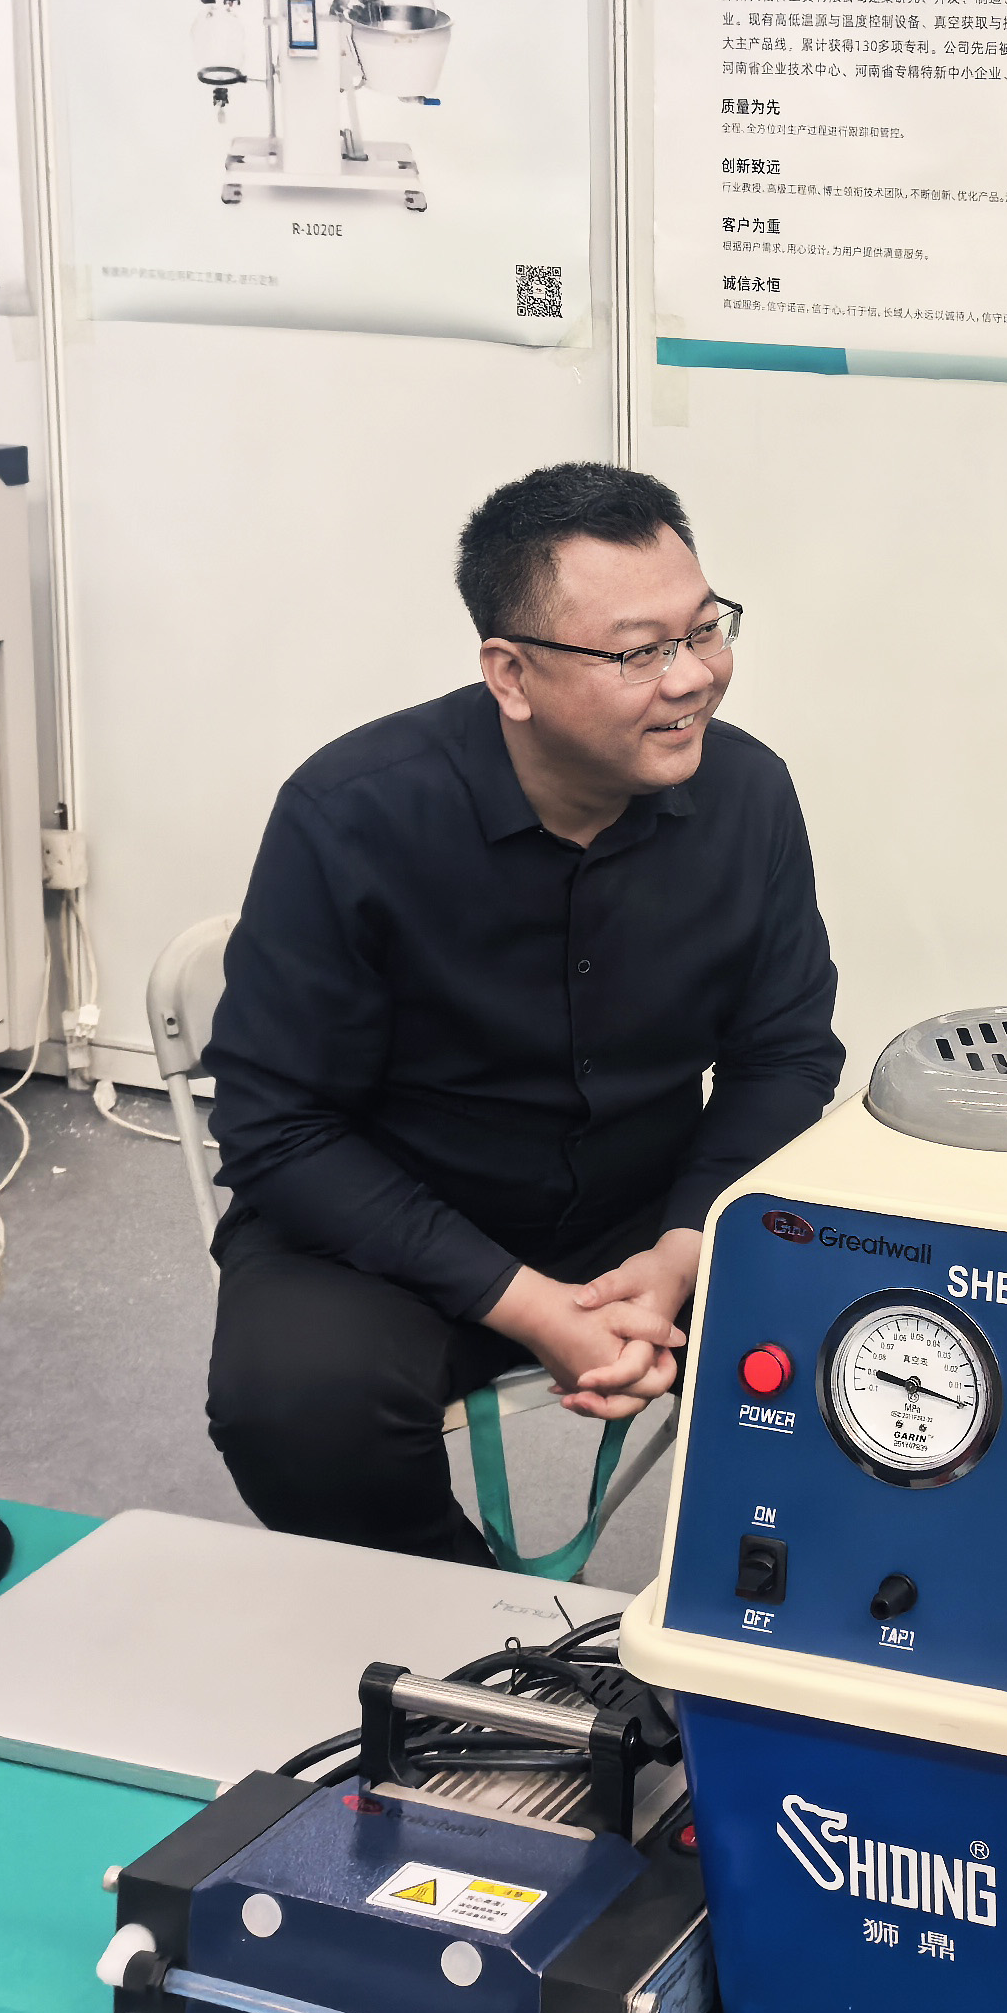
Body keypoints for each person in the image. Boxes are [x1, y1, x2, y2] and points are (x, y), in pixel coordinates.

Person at [202, 464, 842, 1565]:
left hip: (652, 1205)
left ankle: (760, 1631)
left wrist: (686, 1242)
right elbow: (279, 1128)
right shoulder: (351, 814)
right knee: (298, 1410)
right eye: (640, 653)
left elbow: (782, 1053)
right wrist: (533, 1305)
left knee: (882, 1341)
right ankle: (467, 1630)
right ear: (511, 673)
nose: (694, 678)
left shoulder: (748, 793)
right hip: (394, 1219)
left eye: (705, 630)